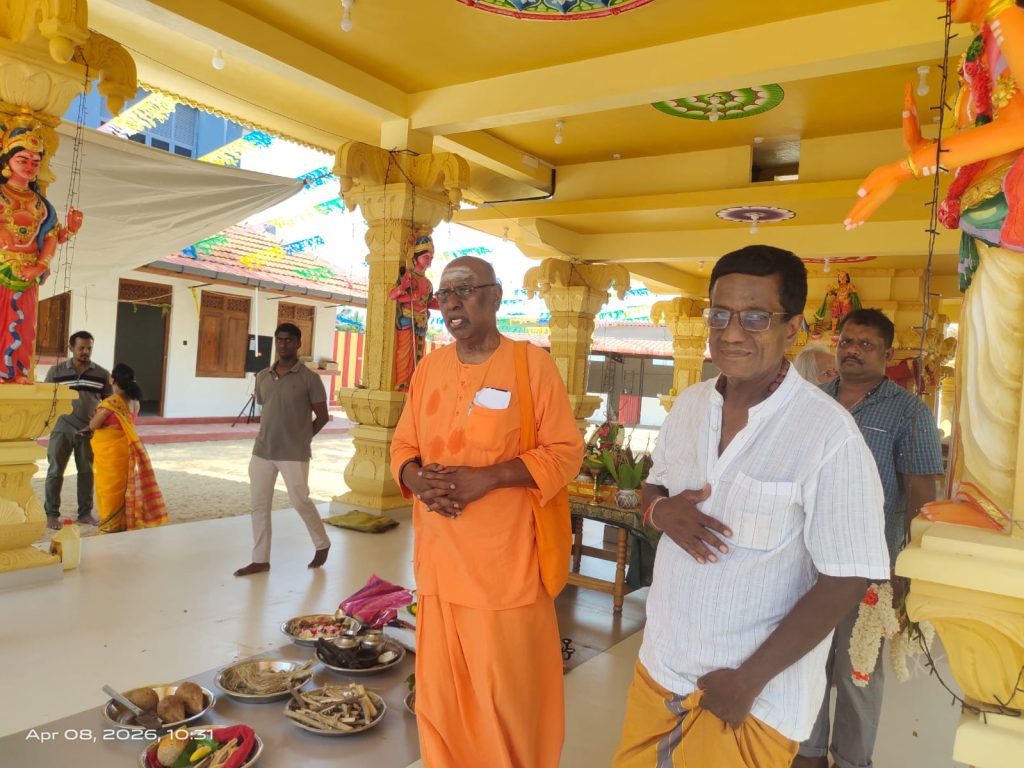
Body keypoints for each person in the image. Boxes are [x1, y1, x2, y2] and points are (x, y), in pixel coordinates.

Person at [612, 245, 890, 768]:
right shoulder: (690, 406)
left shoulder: (828, 434)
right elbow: (655, 489)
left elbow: (848, 577)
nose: (732, 333)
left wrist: (748, 680)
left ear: (792, 329)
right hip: (660, 669)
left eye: (755, 317)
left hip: (749, 698)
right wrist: (659, 512)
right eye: (719, 315)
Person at [390, 256, 583, 768]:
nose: (452, 303)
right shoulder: (429, 368)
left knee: (504, 698)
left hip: (504, 570)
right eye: (444, 295)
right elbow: (403, 445)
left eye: (465, 290)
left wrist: (489, 477)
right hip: (438, 564)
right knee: (442, 700)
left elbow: (566, 452)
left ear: (495, 296)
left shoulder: (529, 365)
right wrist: (414, 477)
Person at [844, 1, 1024, 530]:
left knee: (999, 366)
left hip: (1007, 217)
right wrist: (920, 147)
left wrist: (907, 166)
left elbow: (1018, 126)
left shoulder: (1010, 22)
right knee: (982, 365)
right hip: (987, 221)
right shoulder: (985, 40)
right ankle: (986, 500)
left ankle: (998, 508)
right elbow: (981, 138)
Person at [795, 309, 943, 768]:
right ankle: (807, 752)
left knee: (857, 670)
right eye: (846, 342)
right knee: (806, 662)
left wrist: (907, 567)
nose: (852, 351)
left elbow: (921, 493)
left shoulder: (909, 412)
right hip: (807, 560)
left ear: (887, 354)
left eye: (865, 345)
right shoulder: (814, 402)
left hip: (870, 567)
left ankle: (852, 759)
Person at [234, 322, 331, 577]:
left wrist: (302, 438)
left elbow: (322, 417)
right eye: (279, 340)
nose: (283, 344)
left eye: (289, 340)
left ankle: (322, 543)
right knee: (258, 505)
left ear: (299, 343)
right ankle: (260, 560)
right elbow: (267, 407)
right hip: (262, 450)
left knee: (300, 501)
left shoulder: (310, 379)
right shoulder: (262, 376)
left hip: (293, 453)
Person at [0, 122, 82, 383]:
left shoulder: (41, 204)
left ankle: (18, 372)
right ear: (7, 161)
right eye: (23, 160)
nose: (29, 167)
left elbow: (51, 237)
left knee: (25, 325)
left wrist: (41, 264)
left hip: (29, 272)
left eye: (35, 162)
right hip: (2, 266)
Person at [85, 363, 167, 533]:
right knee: (123, 487)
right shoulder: (135, 403)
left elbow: (93, 425)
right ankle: (122, 523)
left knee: (108, 489)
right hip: (125, 452)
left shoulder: (111, 403)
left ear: (112, 379)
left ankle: (110, 525)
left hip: (111, 455)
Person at [43, 330, 111, 529]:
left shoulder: (102, 374)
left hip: (88, 431)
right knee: (55, 472)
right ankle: (51, 515)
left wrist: (97, 425)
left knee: (86, 473)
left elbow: (108, 405)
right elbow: (47, 400)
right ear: (71, 348)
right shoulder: (55, 372)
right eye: (81, 348)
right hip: (61, 430)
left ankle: (85, 513)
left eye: (89, 348)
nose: (85, 352)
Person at [389, 234, 439, 390]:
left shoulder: (428, 283)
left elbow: (428, 302)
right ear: (415, 258)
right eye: (425, 257)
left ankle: (413, 382)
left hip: (421, 321)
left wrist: (444, 302)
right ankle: (402, 382)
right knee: (405, 352)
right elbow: (393, 296)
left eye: (430, 257)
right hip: (407, 318)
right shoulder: (408, 277)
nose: (429, 260)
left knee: (419, 353)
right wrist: (406, 291)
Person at [812, 270, 861, 335]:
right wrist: (828, 290)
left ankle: (844, 331)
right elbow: (830, 293)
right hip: (837, 303)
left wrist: (849, 296)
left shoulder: (849, 285)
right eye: (840, 276)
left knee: (845, 317)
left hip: (845, 303)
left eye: (844, 276)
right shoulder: (836, 285)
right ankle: (833, 331)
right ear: (838, 278)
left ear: (847, 278)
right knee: (834, 317)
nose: (842, 278)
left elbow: (855, 292)